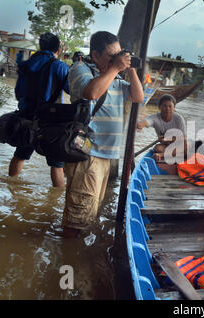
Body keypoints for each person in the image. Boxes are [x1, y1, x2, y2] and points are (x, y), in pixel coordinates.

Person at [63, 31, 144, 236]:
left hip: (105, 157)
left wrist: (131, 69)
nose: (116, 60)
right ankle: (67, 257)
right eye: (111, 56)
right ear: (95, 55)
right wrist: (116, 67)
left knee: (88, 214)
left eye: (119, 55)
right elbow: (91, 93)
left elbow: (137, 96)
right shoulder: (81, 69)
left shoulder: (115, 78)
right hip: (87, 156)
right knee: (78, 219)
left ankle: (76, 256)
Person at [8, 32, 70, 187]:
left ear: (41, 47)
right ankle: (55, 200)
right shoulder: (59, 66)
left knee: (20, 155)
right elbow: (72, 90)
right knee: (56, 164)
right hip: (50, 121)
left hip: (25, 118)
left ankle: (10, 187)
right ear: (58, 50)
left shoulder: (26, 65)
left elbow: (18, 93)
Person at [137, 94, 187, 162]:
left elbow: (183, 138)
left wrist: (167, 139)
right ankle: (172, 154)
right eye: (164, 106)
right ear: (159, 107)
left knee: (186, 146)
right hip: (167, 147)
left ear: (174, 107)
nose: (167, 109)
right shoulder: (155, 118)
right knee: (157, 148)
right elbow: (145, 122)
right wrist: (139, 125)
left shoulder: (179, 118)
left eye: (170, 106)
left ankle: (162, 155)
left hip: (179, 145)